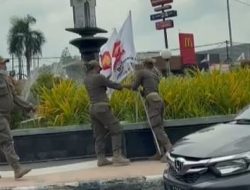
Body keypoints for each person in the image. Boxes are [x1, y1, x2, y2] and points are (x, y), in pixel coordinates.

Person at [84, 60, 130, 167]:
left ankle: (101, 158)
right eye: (99, 67)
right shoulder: (98, 77)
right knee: (116, 129)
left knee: (99, 134)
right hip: (102, 107)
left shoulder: (86, 79)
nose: (100, 69)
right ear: (95, 67)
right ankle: (117, 156)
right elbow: (113, 85)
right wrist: (126, 86)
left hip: (93, 108)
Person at [130, 58, 172, 162]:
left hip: (153, 101)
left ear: (144, 64)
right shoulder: (155, 75)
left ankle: (169, 151)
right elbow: (149, 88)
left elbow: (134, 86)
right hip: (158, 100)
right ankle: (160, 152)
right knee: (157, 127)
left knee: (156, 127)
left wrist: (125, 86)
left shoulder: (142, 72)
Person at [0, 56, 34, 179]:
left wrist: (29, 106)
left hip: (5, 115)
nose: (5, 65)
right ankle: (17, 169)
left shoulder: (5, 79)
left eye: (4, 63)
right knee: (7, 141)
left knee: (2, 143)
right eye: (2, 63)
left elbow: (14, 97)